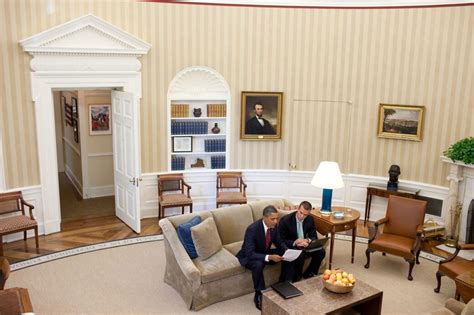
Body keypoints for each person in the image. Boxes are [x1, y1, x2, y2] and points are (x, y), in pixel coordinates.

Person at [236, 205, 293, 310]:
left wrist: (286, 250)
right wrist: (269, 257)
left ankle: (284, 283)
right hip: (248, 257)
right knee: (258, 264)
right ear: (264, 218)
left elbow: (279, 241)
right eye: (273, 219)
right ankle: (258, 293)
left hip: (264, 252)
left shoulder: (274, 226)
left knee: (285, 254)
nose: (276, 221)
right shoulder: (252, 229)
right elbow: (250, 253)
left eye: (277, 218)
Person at [278, 201, 326, 281]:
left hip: (306, 245)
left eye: (305, 215)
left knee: (321, 251)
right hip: (293, 245)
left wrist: (307, 240)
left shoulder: (310, 219)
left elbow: (314, 236)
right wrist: (295, 242)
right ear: (298, 209)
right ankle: (297, 277)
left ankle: (310, 273)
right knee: (300, 255)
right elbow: (280, 240)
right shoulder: (285, 220)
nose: (302, 216)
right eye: (301, 213)